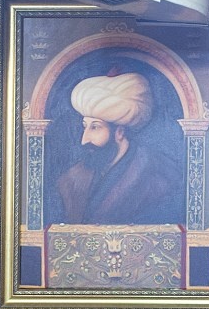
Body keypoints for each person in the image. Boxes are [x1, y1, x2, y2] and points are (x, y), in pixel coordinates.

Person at [54, 69, 184, 226]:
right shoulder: (71, 179)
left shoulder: (160, 176)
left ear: (119, 132)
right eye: (84, 126)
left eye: (95, 127)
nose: (84, 140)